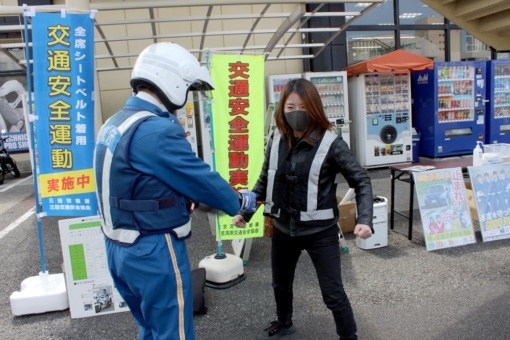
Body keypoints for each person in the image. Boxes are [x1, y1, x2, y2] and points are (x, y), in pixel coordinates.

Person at [93, 42, 255, 340]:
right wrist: (239, 200)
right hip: (152, 249)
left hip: (118, 247)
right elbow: (201, 178)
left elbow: (139, 183)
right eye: (188, 86)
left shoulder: (115, 123)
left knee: (149, 328)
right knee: (173, 333)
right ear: (171, 81)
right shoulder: (157, 130)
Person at [232, 78, 374, 340]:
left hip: (320, 232)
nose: (296, 112)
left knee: (333, 294)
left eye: (302, 106)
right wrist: (245, 212)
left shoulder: (331, 143)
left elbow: (361, 180)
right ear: (281, 109)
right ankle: (284, 322)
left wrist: (364, 218)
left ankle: (349, 336)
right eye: (290, 106)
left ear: (314, 108)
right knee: (280, 284)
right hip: (283, 228)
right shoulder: (276, 138)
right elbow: (264, 180)